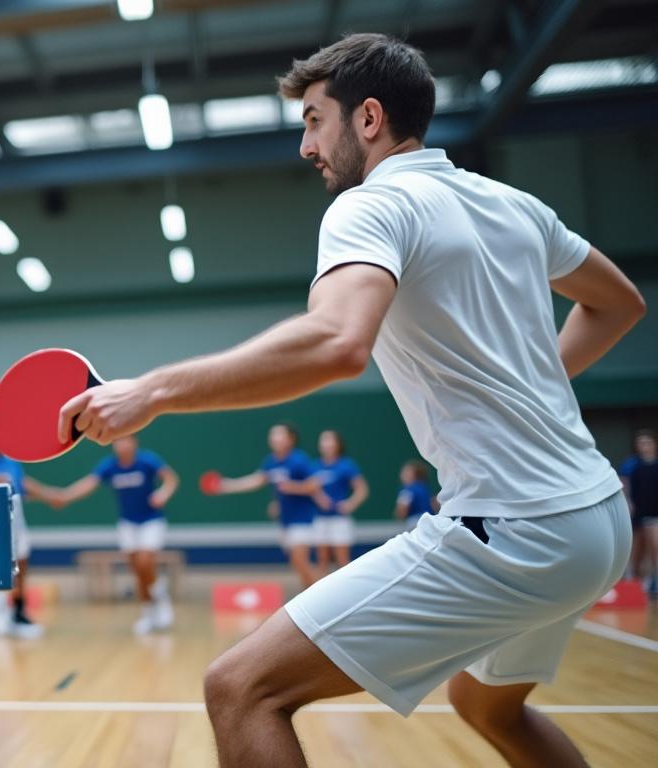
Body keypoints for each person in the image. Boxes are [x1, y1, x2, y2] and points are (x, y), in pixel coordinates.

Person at [55, 34, 644, 767]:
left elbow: (336, 341)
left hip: (519, 527)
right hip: (599, 520)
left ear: (368, 118)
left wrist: (152, 391)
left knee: (241, 689)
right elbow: (619, 304)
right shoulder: (513, 204)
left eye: (313, 120)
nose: (306, 145)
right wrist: (532, 387)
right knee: (486, 705)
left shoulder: (372, 206)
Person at [41, 435, 179, 635]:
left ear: (134, 443)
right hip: (127, 524)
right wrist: (65, 496)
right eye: (118, 442)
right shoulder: (110, 466)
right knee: (137, 570)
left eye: (126, 440)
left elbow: (171, 478)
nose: (122, 445)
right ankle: (148, 613)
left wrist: (163, 493)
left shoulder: (147, 461)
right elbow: (89, 483)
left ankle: (160, 596)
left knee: (145, 561)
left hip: (151, 521)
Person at [212, 424, 319, 589]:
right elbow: (256, 480)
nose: (274, 438)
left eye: (279, 435)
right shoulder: (271, 461)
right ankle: (309, 593)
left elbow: (314, 485)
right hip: (285, 521)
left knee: (300, 559)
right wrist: (227, 485)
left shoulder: (299, 460)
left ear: (290, 439)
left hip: (302, 519)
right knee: (296, 563)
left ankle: (322, 593)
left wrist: (293, 487)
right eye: (272, 435)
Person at [0, 426, 46, 639]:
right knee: (2, 567)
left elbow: (22, 488)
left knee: (22, 564)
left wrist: (50, 496)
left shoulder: (13, 462)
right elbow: (5, 483)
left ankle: (19, 613)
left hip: (17, 518)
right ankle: (0, 616)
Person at [309, 429, 367, 571]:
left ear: (338, 444)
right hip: (320, 519)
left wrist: (350, 503)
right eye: (323, 440)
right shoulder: (314, 466)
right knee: (322, 560)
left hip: (340, 519)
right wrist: (319, 498)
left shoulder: (346, 465)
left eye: (330, 440)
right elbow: (309, 488)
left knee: (342, 560)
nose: (326, 444)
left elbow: (362, 489)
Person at [620, 429, 658, 595]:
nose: (644, 446)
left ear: (654, 444)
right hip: (637, 512)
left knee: (654, 546)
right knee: (637, 548)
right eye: (640, 443)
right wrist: (628, 503)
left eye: (647, 442)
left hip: (654, 512)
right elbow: (624, 485)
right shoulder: (631, 464)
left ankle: (652, 580)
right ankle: (633, 584)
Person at [394, 459, 435, 532]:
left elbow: (402, 510)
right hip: (431, 523)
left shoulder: (407, 490)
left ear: (414, 474)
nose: (402, 475)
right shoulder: (425, 488)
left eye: (406, 472)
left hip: (415, 525)